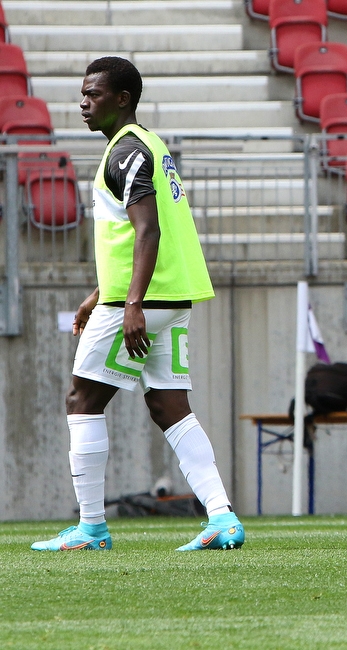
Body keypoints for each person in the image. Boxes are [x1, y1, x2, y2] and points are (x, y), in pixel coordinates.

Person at [31, 57, 243, 552]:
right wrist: (98, 296)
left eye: (95, 94)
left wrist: (129, 305)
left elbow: (148, 231)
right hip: (170, 295)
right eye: (82, 95)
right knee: (169, 405)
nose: (84, 103)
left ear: (122, 98)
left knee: (82, 401)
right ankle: (222, 517)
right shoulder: (147, 144)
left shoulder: (124, 152)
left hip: (144, 301)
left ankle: (91, 528)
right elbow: (131, 238)